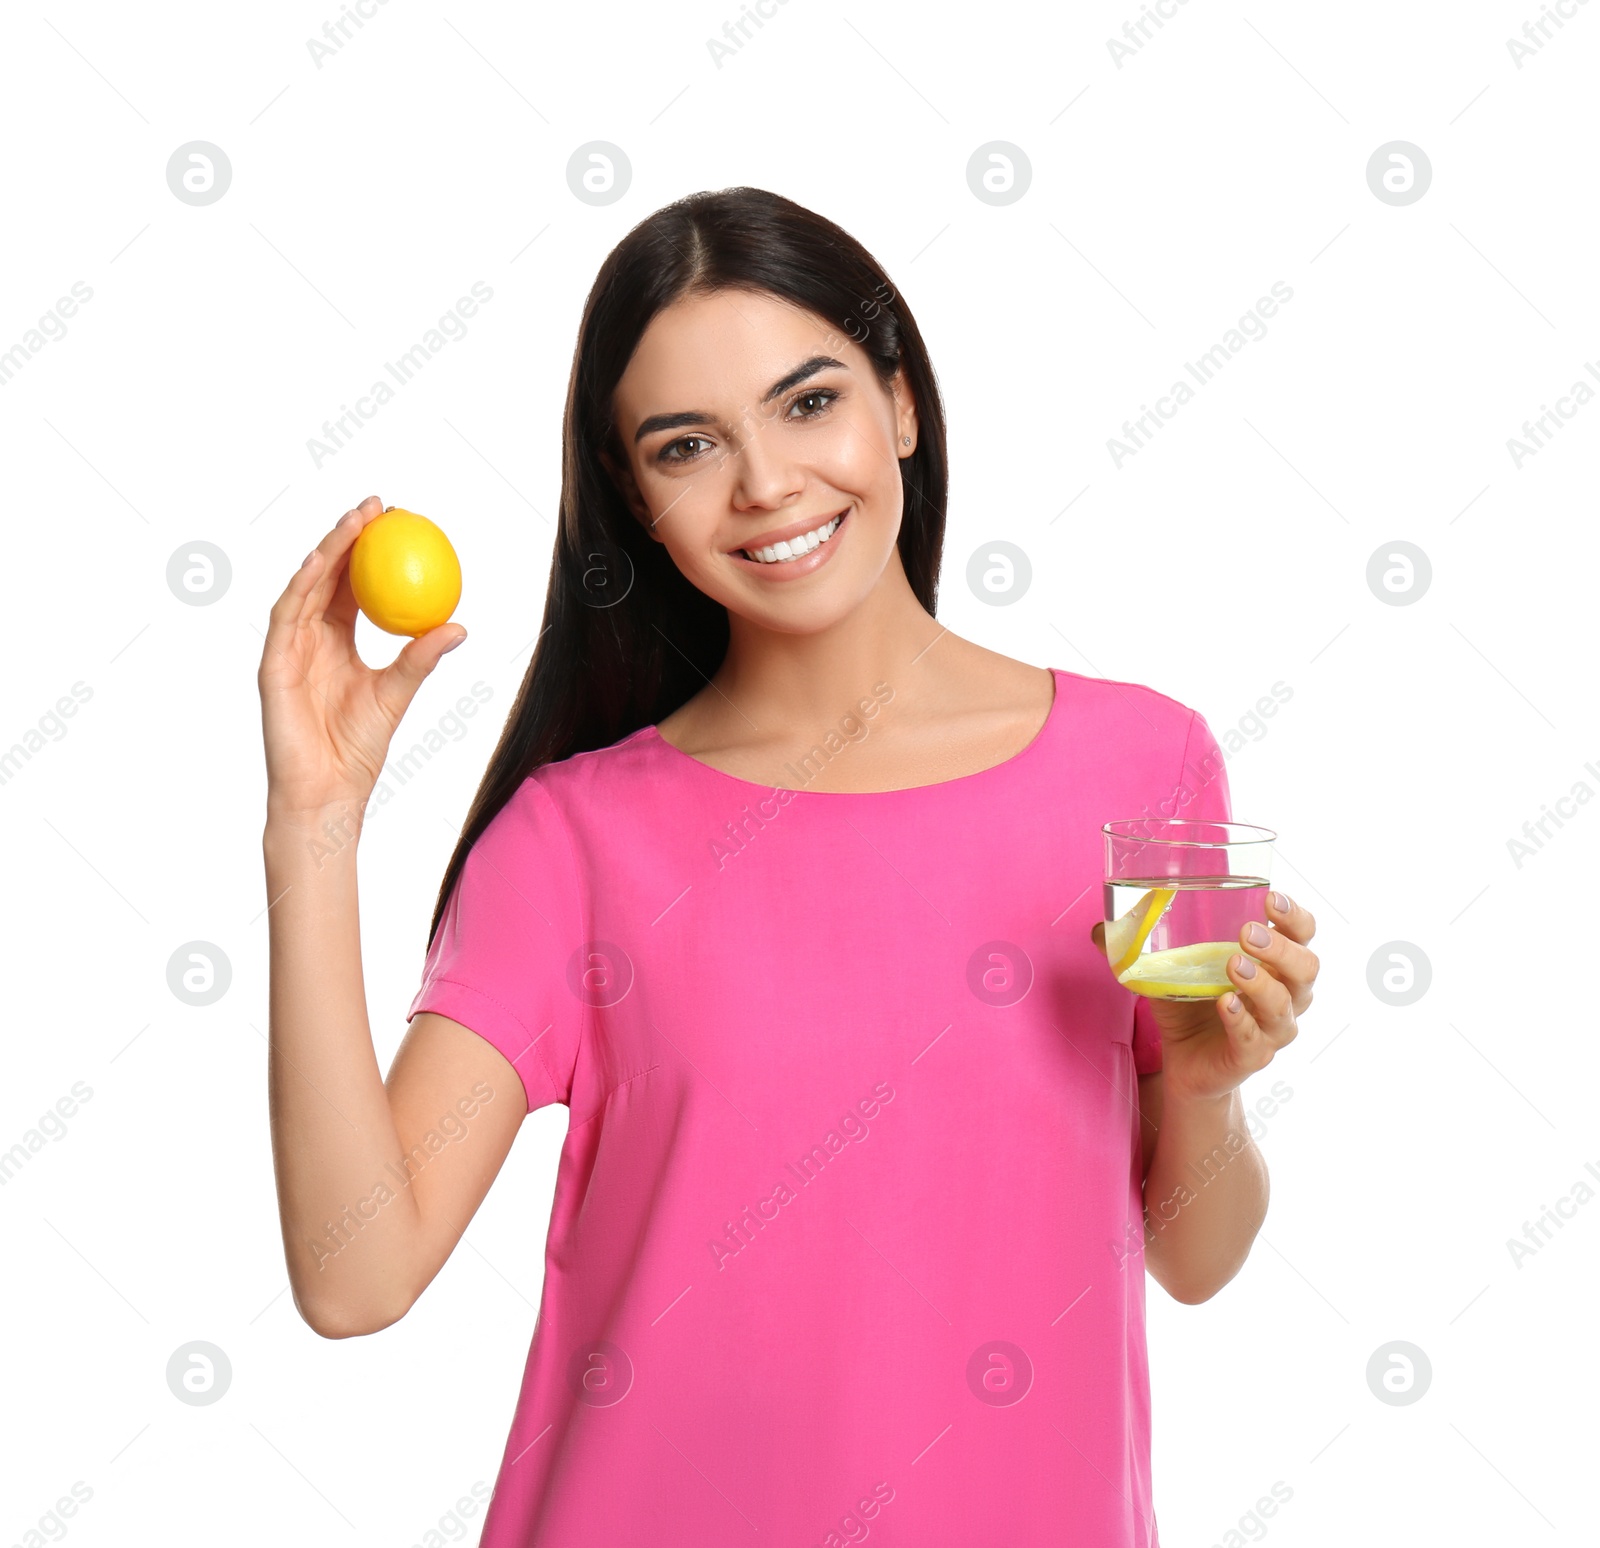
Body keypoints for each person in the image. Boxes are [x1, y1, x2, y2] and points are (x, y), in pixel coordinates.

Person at [257, 186, 1320, 1546]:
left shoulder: (1148, 768)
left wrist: (1209, 1085)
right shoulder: (576, 839)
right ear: (637, 501)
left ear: (902, 408)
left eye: (808, 403)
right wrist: (314, 824)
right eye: (689, 445)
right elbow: (358, 1276)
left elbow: (1197, 1256)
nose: (766, 484)